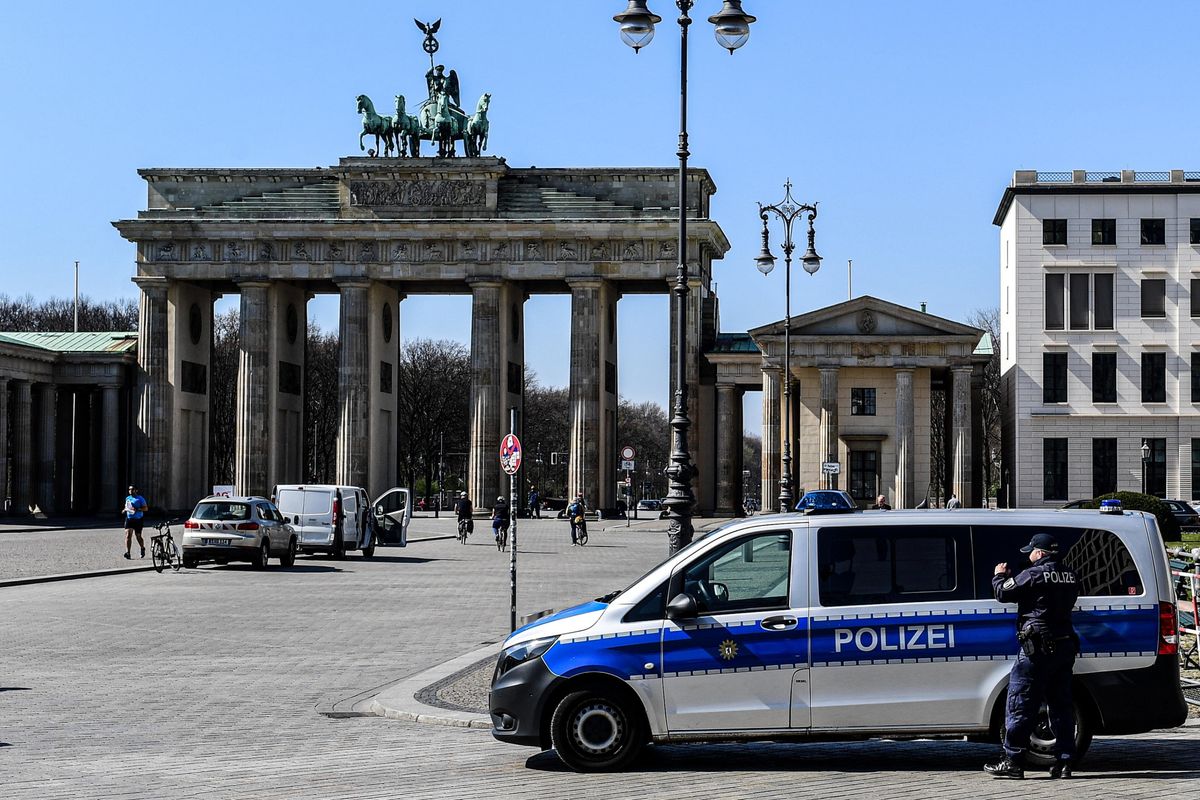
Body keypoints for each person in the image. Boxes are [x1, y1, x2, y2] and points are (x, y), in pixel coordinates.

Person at [984, 532, 1080, 780]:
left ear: (1040, 553)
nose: (1028, 555)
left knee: (1021, 703)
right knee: (1061, 706)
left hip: (1037, 647)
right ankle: (1065, 762)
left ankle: (1013, 761)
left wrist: (998, 575)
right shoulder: (1070, 575)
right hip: (1065, 644)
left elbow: (1004, 593)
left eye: (1031, 551)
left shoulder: (1034, 573)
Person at [122, 485, 147, 560]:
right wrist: (124, 510)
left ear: (136, 490)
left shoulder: (140, 498)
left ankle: (142, 548)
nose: (130, 491)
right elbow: (127, 506)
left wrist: (137, 509)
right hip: (129, 518)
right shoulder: (128, 498)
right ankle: (128, 553)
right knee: (128, 535)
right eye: (129, 489)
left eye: (132, 489)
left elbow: (145, 508)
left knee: (138, 536)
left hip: (138, 519)